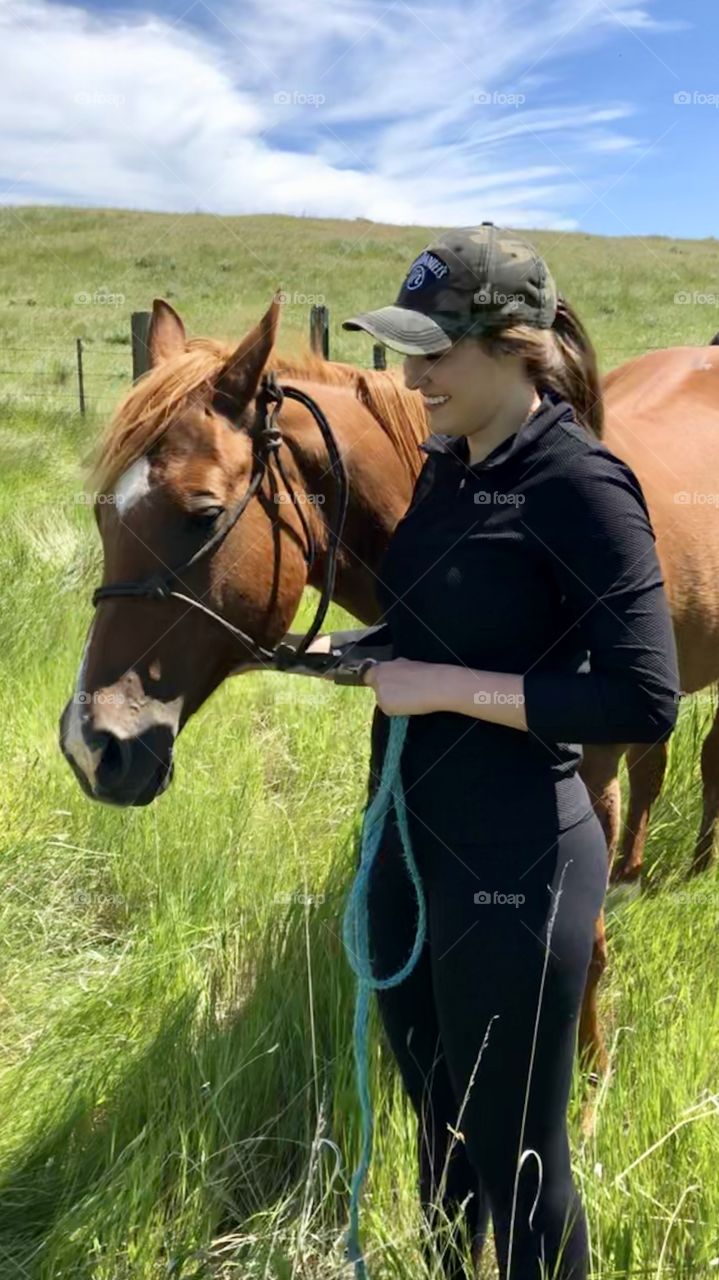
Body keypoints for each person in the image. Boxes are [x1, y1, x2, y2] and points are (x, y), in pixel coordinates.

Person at [283, 223, 681, 1279]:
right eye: (405, 351)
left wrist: (446, 689)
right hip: (412, 847)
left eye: (434, 353)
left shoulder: (581, 487)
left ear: (516, 346)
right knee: (439, 1127)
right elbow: (444, 619)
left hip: (518, 865)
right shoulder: (451, 467)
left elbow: (642, 698)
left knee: (520, 1160)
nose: (412, 377)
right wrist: (352, 652)